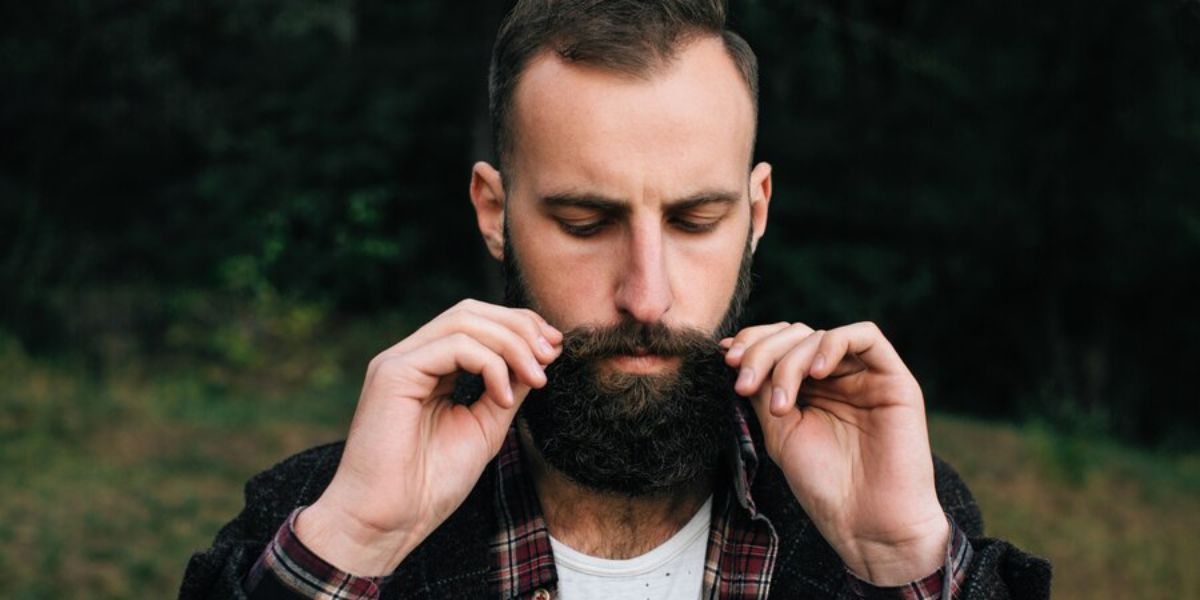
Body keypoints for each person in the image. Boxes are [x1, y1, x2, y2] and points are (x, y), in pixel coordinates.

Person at [180, 1, 1051, 598]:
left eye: (696, 219)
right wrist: (355, 545)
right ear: (495, 211)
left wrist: (903, 566)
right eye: (585, 221)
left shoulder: (897, 514)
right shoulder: (315, 519)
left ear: (756, 214)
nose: (647, 293)